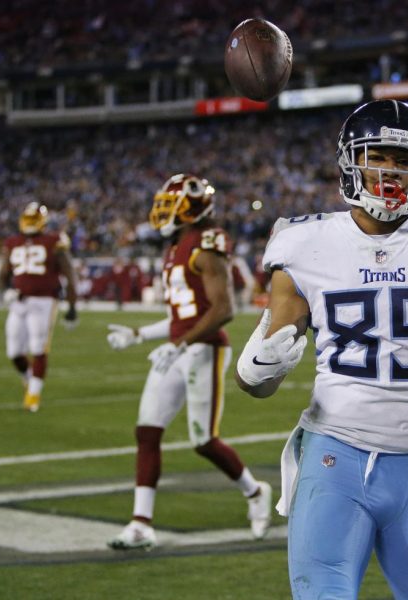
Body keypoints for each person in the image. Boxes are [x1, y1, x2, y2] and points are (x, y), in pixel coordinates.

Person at [235, 100, 408, 599]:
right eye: (379, 156)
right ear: (350, 161)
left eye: (406, 161)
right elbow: (267, 372)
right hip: (334, 458)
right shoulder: (303, 243)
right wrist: (253, 374)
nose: (392, 171)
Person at [105, 174, 272, 550]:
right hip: (181, 347)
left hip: (205, 349)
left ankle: (254, 491)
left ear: (195, 207)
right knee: (147, 430)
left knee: (203, 440)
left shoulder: (206, 244)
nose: (164, 212)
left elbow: (224, 309)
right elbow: (182, 316)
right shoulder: (176, 246)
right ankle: (140, 524)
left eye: (172, 204)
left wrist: (179, 344)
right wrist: (139, 335)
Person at [0, 201, 78, 413]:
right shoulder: (13, 242)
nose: (30, 223)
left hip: (44, 301)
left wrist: (72, 306)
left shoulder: (54, 241)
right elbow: (3, 273)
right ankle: (29, 378)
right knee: (13, 351)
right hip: (19, 302)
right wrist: (5, 291)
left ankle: (33, 395)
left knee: (38, 347)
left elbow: (69, 273)